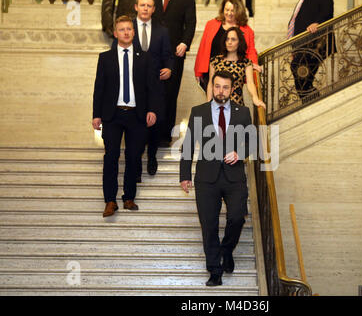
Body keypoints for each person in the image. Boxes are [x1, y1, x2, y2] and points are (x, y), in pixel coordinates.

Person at [180, 71, 252, 286]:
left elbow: (253, 141)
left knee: (237, 217)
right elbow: (188, 144)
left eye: (225, 87)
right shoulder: (198, 111)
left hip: (234, 177)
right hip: (206, 178)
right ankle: (214, 270)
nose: (221, 91)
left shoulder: (243, 112)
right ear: (211, 87)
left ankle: (227, 250)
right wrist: (184, 175)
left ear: (232, 89)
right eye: (217, 86)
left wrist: (240, 152)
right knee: (209, 225)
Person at [92, 15, 163, 218]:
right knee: (111, 156)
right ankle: (110, 201)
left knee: (133, 157)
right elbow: (99, 89)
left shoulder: (146, 58)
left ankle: (129, 197)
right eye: (121, 29)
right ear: (115, 33)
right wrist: (96, 115)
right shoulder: (105, 58)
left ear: (133, 32)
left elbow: (153, 88)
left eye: (129, 29)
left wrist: (152, 110)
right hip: (112, 115)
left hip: (137, 115)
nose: (125, 32)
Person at [110, 0, 174, 177]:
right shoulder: (127, 29)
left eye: (149, 6)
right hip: (132, 86)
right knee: (137, 128)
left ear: (154, 9)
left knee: (155, 125)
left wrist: (169, 68)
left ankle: (152, 156)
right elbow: (117, 51)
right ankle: (135, 164)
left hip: (155, 86)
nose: (145, 8)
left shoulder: (162, 31)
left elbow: (168, 55)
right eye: (143, 5)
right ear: (136, 7)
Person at [153, 0, 197, 146]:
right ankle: (148, 134)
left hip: (175, 54)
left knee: (170, 95)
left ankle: (165, 137)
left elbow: (191, 23)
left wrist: (185, 43)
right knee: (149, 93)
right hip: (151, 53)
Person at [195, 0, 260, 92]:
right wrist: (198, 71)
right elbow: (202, 49)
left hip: (234, 75)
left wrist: (254, 64)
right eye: (227, 10)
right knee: (213, 104)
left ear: (239, 11)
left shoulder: (247, 30)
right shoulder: (211, 24)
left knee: (230, 105)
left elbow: (250, 50)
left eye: (232, 10)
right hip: (211, 74)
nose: (229, 13)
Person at [288, 0, 334, 100]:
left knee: (298, 69)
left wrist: (317, 22)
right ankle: (313, 104)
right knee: (303, 79)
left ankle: (314, 104)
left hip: (315, 43)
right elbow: (298, 20)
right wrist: (294, 47)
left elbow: (327, 11)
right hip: (302, 44)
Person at [207, 27, 265, 108]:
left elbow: (250, 83)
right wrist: (208, 103)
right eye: (227, 39)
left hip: (237, 107)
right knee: (199, 119)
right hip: (218, 106)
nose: (229, 42)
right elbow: (210, 84)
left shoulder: (246, 63)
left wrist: (255, 99)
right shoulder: (215, 61)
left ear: (239, 42)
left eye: (233, 39)